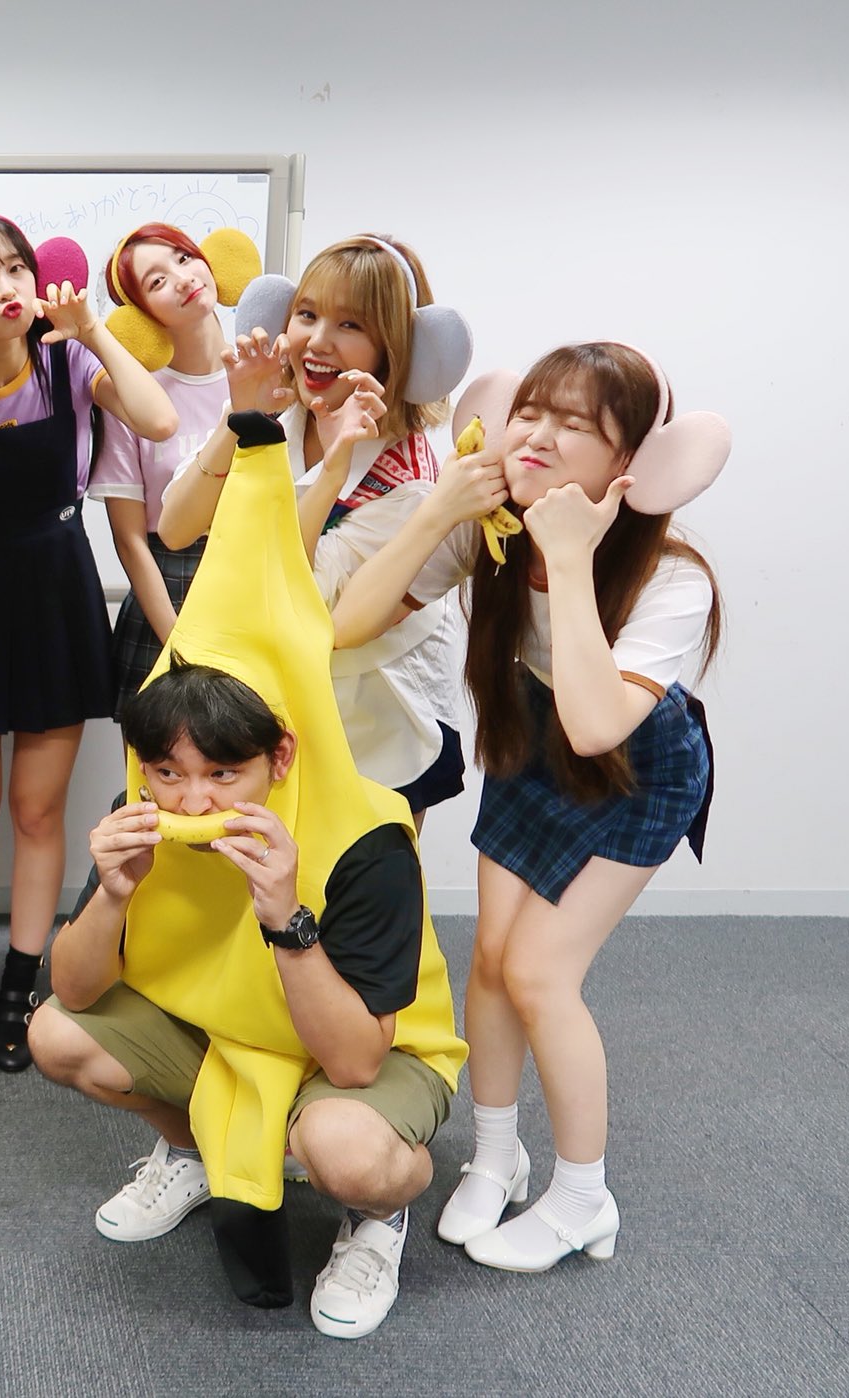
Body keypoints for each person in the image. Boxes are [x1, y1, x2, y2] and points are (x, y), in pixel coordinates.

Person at [29, 411, 465, 1340]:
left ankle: (379, 1216)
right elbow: (74, 989)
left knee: (343, 1148)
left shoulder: (368, 839)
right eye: (167, 771)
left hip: (362, 1055)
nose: (190, 800)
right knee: (56, 1036)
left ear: (282, 754)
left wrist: (286, 919)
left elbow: (355, 1060)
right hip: (226, 1031)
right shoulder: (140, 813)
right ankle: (193, 1149)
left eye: (224, 773)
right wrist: (113, 894)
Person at [329, 343, 726, 1271]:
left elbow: (597, 725)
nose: (536, 437)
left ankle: (585, 1198)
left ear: (630, 462)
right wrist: (439, 510)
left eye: (574, 424)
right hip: (528, 733)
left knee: (542, 973)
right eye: (531, 412)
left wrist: (573, 559)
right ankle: (496, 1157)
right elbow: (347, 623)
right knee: (493, 962)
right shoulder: (492, 530)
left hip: (639, 764)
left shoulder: (675, 579)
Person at [0, 212, 178, 1070]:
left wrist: (91, 328)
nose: (8, 289)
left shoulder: (68, 362)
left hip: (57, 592)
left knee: (38, 811)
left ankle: (23, 981)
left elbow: (160, 420)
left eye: (17, 269)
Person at [160, 236, 475, 825]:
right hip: (274, 699)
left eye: (350, 324)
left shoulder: (408, 481)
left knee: (364, 872)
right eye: (306, 314)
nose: (317, 341)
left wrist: (331, 473)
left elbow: (304, 605)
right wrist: (241, 418)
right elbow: (175, 527)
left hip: (377, 719)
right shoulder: (277, 412)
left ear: (394, 349)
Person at [86, 222, 259, 712]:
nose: (183, 279)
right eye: (157, 281)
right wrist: (180, 648)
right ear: (139, 316)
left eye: (183, 258)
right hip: (167, 594)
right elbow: (130, 540)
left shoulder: (262, 366)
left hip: (252, 580)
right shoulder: (134, 395)